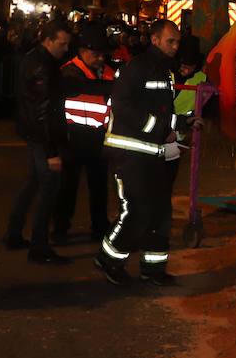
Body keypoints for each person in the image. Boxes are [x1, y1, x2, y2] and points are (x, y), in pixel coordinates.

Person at [97, 19, 185, 286]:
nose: (175, 46)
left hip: (152, 153)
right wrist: (160, 130)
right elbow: (122, 106)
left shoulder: (165, 72)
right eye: (170, 41)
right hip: (129, 152)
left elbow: (160, 113)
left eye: (178, 41)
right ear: (155, 39)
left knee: (159, 212)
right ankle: (108, 259)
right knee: (137, 211)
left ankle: (153, 269)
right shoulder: (136, 68)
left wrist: (181, 123)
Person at [4, 19, 72, 265]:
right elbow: (43, 112)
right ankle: (39, 246)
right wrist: (51, 151)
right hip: (42, 138)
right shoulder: (44, 66)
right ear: (48, 40)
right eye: (62, 44)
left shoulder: (36, 60)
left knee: (33, 184)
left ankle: (13, 234)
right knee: (47, 190)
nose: (65, 49)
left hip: (33, 134)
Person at [53, 24, 116, 244]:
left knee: (99, 188)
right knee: (67, 188)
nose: (100, 58)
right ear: (82, 52)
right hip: (73, 139)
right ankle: (60, 229)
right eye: (96, 54)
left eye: (103, 54)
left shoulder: (108, 72)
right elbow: (87, 87)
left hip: (98, 139)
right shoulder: (70, 71)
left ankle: (99, 227)